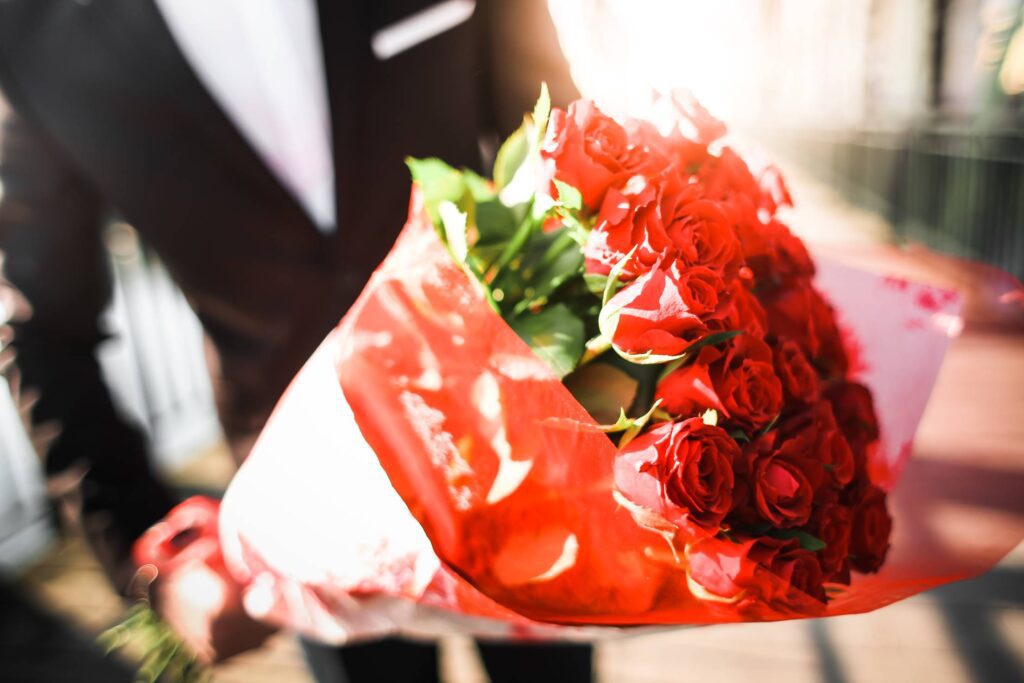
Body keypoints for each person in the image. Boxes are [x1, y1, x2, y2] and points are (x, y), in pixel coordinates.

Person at [0, 1, 591, 680]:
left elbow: (560, 136)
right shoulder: (31, 31)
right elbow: (43, 329)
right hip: (305, 513)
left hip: (524, 457)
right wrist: (157, 562)